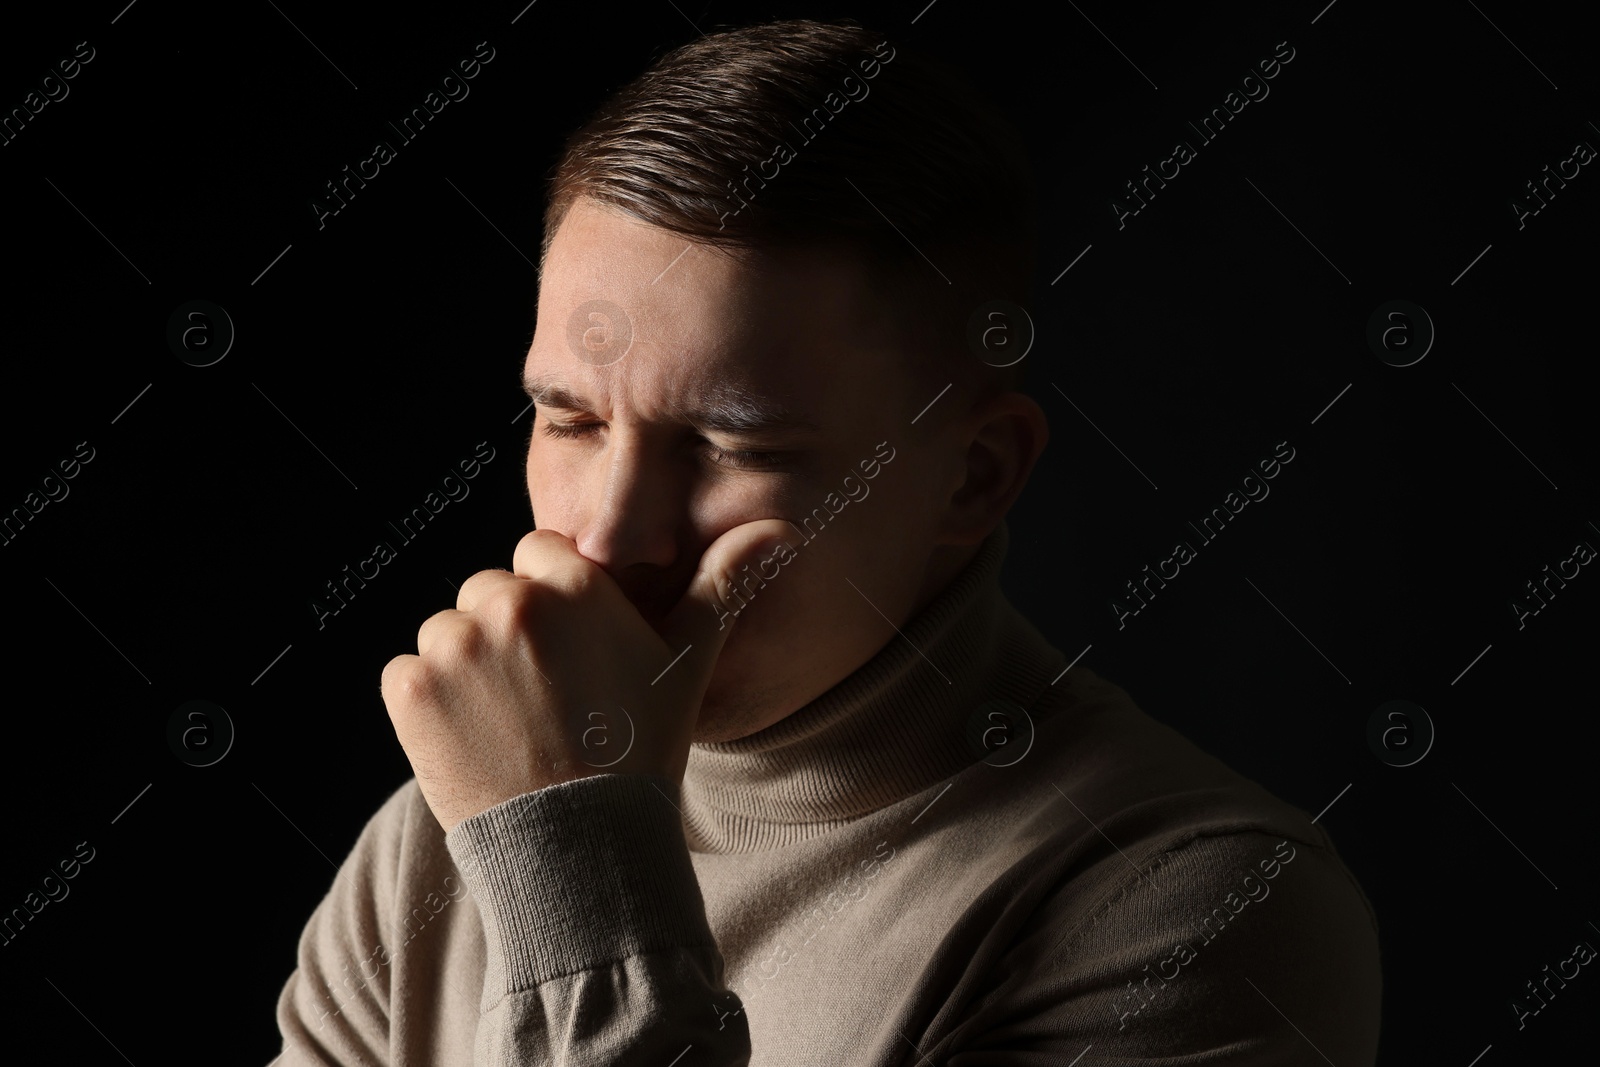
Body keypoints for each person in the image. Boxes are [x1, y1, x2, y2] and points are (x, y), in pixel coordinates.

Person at [270, 18, 1381, 1065]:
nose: (609, 533)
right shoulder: (454, 823)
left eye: (729, 445)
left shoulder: (1199, 907)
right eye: (572, 421)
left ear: (974, 473)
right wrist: (540, 832)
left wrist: (569, 864)